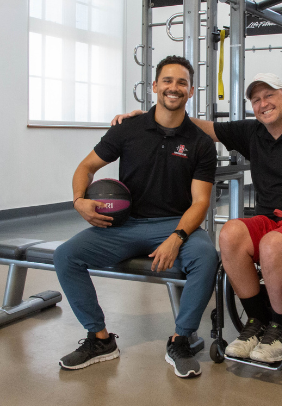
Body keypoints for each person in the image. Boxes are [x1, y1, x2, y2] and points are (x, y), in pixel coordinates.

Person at [112, 72, 282, 363]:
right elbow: (202, 127)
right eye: (255, 100)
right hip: (273, 220)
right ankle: (258, 323)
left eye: (269, 95)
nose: (262, 104)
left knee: (272, 244)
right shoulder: (252, 132)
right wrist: (150, 117)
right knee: (230, 233)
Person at [54, 55, 218, 378]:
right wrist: (78, 201)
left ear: (191, 90)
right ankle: (100, 339)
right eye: (167, 81)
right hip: (125, 226)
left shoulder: (200, 143)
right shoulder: (127, 128)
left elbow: (200, 202)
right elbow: (85, 168)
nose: (174, 88)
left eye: (181, 83)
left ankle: (180, 339)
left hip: (174, 224)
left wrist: (178, 237)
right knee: (65, 256)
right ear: (155, 86)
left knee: (206, 256)